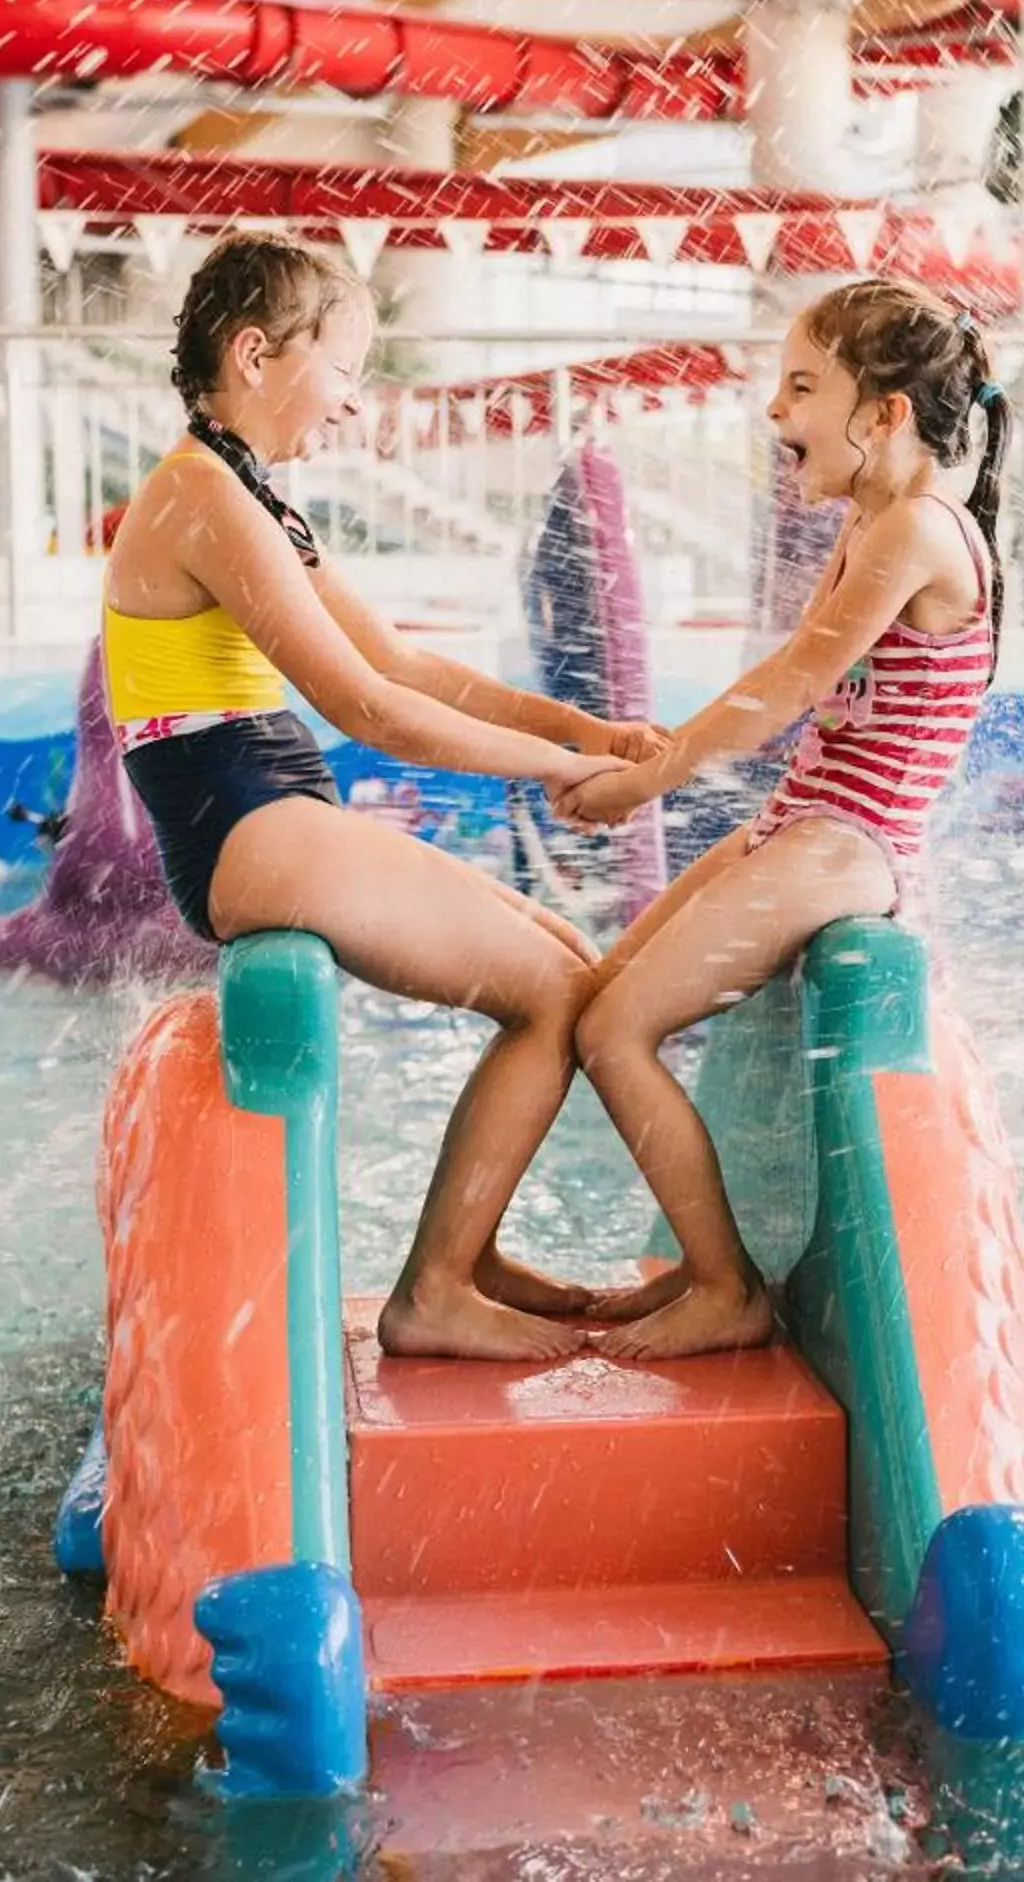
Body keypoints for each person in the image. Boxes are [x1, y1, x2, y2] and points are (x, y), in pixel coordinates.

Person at [108, 232, 660, 1361]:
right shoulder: (201, 498)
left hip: (272, 806)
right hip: (242, 819)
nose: (356, 407)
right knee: (557, 994)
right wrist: (563, 776)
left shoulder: (246, 493)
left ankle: (472, 1251)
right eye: (346, 370)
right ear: (255, 353)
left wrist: (578, 726)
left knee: (561, 952)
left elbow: (406, 664)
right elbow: (368, 709)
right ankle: (437, 1292)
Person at [556, 278, 1009, 1359]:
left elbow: (794, 682)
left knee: (615, 1030)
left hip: (852, 846)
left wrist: (648, 779)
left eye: (802, 387)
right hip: (804, 821)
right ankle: (686, 1263)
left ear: (885, 414)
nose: (775, 412)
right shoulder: (871, 522)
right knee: (598, 994)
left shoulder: (918, 531)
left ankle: (724, 1289)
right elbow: (788, 683)